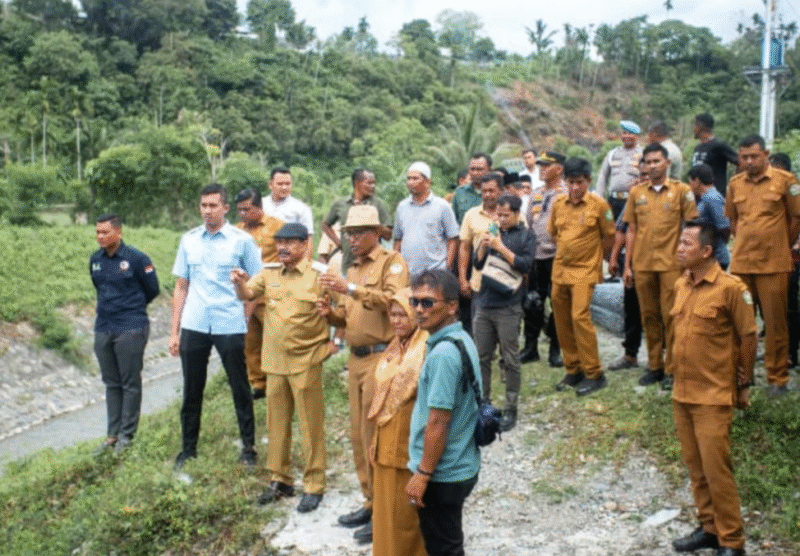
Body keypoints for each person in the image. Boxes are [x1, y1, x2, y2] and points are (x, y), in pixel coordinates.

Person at [317, 205, 409, 543]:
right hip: (355, 360)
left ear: (376, 233)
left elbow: (393, 302)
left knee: (376, 437)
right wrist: (331, 314)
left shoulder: (391, 263)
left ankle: (385, 509)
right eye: (348, 234)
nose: (352, 239)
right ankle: (371, 501)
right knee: (358, 437)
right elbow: (349, 315)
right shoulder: (351, 267)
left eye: (358, 233)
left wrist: (350, 289)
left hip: (381, 358)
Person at [231, 223, 331, 513]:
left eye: (290, 242)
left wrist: (333, 341)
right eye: (280, 242)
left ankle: (314, 484)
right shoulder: (270, 272)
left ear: (304, 245)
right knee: (277, 422)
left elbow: (341, 309)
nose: (283, 247)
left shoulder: (319, 275)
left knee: (310, 424)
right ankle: (280, 479)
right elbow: (247, 294)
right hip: (274, 361)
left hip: (306, 359)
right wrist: (239, 281)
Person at [670, 221, 756, 556]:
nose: (679, 248)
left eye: (686, 243)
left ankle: (732, 540)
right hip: (683, 392)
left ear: (706, 251)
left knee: (717, 470)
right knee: (695, 467)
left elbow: (748, 336)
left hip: (713, 396)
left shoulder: (731, 288)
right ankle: (708, 527)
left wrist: (743, 383)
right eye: (679, 242)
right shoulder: (682, 284)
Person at [169, 184, 262, 470]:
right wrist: (174, 331)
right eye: (203, 205)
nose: (207, 211)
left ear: (225, 208)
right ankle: (188, 450)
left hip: (228, 321)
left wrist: (244, 318)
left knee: (239, 387)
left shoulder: (242, 241)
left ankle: (248, 447)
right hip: (195, 322)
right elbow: (181, 286)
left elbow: (257, 286)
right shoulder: (189, 240)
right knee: (192, 389)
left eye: (213, 205)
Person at [405, 269, 480, 556]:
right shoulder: (459, 339)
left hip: (442, 473)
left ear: (451, 306)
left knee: (443, 549)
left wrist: (423, 474)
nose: (419, 310)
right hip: (459, 463)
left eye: (428, 303)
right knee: (447, 543)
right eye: (415, 302)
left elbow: (438, 421)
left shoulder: (443, 355)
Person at [725, 135, 800, 396]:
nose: (748, 161)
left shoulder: (786, 181)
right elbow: (733, 222)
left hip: (774, 265)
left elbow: (795, 218)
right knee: (740, 323)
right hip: (742, 264)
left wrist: (780, 245)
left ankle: (777, 377)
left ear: (766, 154)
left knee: (775, 324)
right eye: (743, 157)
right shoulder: (735, 184)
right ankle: (743, 376)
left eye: (754, 156)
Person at [623, 143, 698, 389]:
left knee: (672, 316)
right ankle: (654, 365)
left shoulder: (682, 191)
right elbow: (631, 230)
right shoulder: (636, 193)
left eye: (657, 161)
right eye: (648, 162)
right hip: (643, 264)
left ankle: (672, 368)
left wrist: (690, 264)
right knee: (649, 316)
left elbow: (691, 228)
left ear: (667, 163)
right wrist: (627, 266)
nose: (652, 166)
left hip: (671, 265)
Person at [90, 213, 160, 454]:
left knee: (130, 382)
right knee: (111, 382)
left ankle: (126, 436)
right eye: (97, 232)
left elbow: (152, 289)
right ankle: (112, 435)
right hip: (104, 327)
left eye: (105, 232)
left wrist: (132, 309)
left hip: (131, 326)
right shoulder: (95, 260)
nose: (100, 236)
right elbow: (99, 287)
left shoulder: (137, 259)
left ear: (118, 232)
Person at [368, 288, 429, 556]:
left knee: (405, 522)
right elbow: (382, 403)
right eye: (392, 315)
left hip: (407, 450)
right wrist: (375, 441)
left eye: (402, 314)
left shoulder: (425, 349)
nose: (396, 321)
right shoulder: (395, 348)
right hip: (385, 449)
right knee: (384, 519)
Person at [549, 158, 616, 396]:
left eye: (579, 182)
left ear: (588, 180)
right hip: (560, 270)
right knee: (562, 319)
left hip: (585, 271)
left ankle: (594, 373)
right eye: (570, 182)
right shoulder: (558, 203)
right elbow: (553, 234)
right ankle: (573, 368)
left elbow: (609, 237)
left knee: (580, 317)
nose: (575, 187)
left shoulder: (600, 205)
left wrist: (602, 260)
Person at [473, 194, 535, 430]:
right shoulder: (493, 232)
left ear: (517, 214)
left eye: (505, 215)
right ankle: (483, 403)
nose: (501, 219)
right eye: (498, 215)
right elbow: (477, 264)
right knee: (481, 357)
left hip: (509, 305)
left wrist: (501, 247)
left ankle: (511, 407)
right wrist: (484, 244)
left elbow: (526, 265)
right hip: (484, 303)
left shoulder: (526, 236)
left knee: (510, 359)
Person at [234, 188, 284, 399]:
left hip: (271, 292)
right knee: (250, 340)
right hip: (245, 292)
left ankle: (279, 377)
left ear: (259, 208)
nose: (243, 214)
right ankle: (258, 383)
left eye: (247, 209)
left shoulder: (277, 227)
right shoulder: (236, 231)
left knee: (276, 337)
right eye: (240, 210)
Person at [522, 151, 567, 367]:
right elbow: (529, 224)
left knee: (558, 304)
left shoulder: (566, 193)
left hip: (557, 257)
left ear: (558, 168)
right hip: (536, 257)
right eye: (540, 165)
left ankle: (555, 350)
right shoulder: (536, 194)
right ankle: (530, 348)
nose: (541, 168)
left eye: (546, 165)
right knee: (532, 303)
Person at [393, 162, 460, 277]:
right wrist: (395, 266)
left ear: (427, 182)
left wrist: (447, 266)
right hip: (408, 273)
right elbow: (398, 239)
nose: (410, 182)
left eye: (415, 178)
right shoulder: (402, 207)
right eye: (409, 179)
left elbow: (453, 238)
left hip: (435, 272)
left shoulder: (442, 206)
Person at [322, 168, 393, 274]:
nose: (373, 186)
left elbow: (388, 235)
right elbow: (325, 225)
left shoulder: (378, 204)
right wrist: (339, 243)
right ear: (357, 183)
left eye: (374, 183)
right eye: (369, 183)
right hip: (348, 265)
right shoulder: (341, 204)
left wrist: (371, 223)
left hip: (373, 266)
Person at [769, 153, 800, 368]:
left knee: (790, 307)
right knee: (780, 306)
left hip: (792, 255)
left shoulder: (792, 190)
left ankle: (790, 354)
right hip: (781, 256)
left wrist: (788, 244)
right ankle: (784, 354)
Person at [458, 173, 503, 320]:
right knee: (480, 333)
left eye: (492, 191)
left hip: (505, 282)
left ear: (501, 191)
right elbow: (464, 248)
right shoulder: (471, 215)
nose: (487, 195)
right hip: (479, 284)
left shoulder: (513, 215)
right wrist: (463, 279)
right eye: (484, 191)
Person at [595, 120, 643, 218]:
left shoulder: (643, 154)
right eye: (624, 133)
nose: (626, 136)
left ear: (636, 136)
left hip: (633, 200)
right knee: (609, 228)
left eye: (630, 133)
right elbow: (603, 176)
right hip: (613, 200)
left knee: (630, 229)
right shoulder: (612, 153)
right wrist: (598, 198)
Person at [263, 167, 314, 256]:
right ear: (270, 184)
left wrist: (305, 266)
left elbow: (308, 240)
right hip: (264, 258)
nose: (284, 187)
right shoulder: (260, 205)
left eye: (288, 184)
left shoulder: (301, 209)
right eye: (280, 184)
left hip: (289, 258)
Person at [687, 164, 730, 270]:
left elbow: (724, 227)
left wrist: (715, 245)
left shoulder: (712, 198)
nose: (689, 185)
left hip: (716, 258)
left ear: (696, 181)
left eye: (690, 182)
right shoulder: (705, 198)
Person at [691, 114, 739, 198]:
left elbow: (740, 161)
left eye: (695, 125)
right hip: (698, 198)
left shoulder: (718, 145)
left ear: (700, 126)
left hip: (715, 197)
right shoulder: (697, 148)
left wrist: (736, 182)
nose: (693, 129)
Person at [451, 153, 492, 225]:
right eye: (472, 169)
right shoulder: (460, 192)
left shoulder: (497, 193)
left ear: (489, 170)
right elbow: (453, 222)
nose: (475, 173)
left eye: (479, 169)